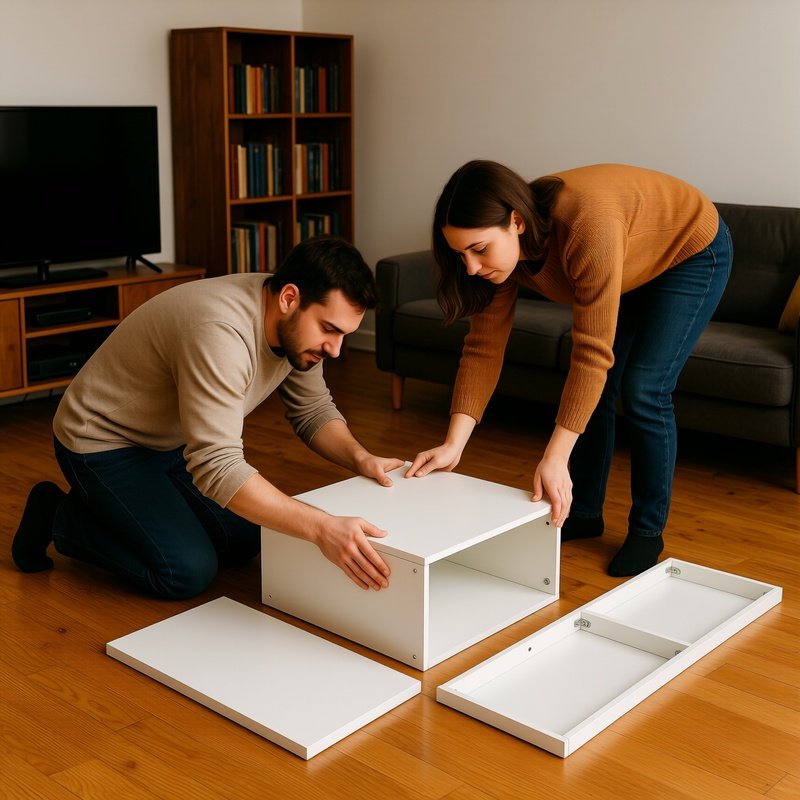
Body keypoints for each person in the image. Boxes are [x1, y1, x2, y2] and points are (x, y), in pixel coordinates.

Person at [12, 236, 405, 598]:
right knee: (185, 572)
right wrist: (322, 527)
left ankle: (142, 511)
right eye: (329, 330)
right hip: (101, 442)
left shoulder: (294, 327)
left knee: (246, 540)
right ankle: (59, 516)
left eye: (345, 335)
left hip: (170, 442)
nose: (335, 349)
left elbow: (313, 410)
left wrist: (361, 459)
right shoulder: (220, 332)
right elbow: (217, 465)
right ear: (289, 297)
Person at [407, 161, 732, 577]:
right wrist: (453, 444)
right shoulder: (495, 265)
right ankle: (585, 514)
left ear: (517, 222)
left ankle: (647, 532)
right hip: (630, 256)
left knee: (644, 389)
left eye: (480, 249)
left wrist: (555, 458)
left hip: (691, 250)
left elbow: (591, 354)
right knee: (599, 390)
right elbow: (483, 348)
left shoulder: (586, 225)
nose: (470, 267)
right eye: (460, 254)